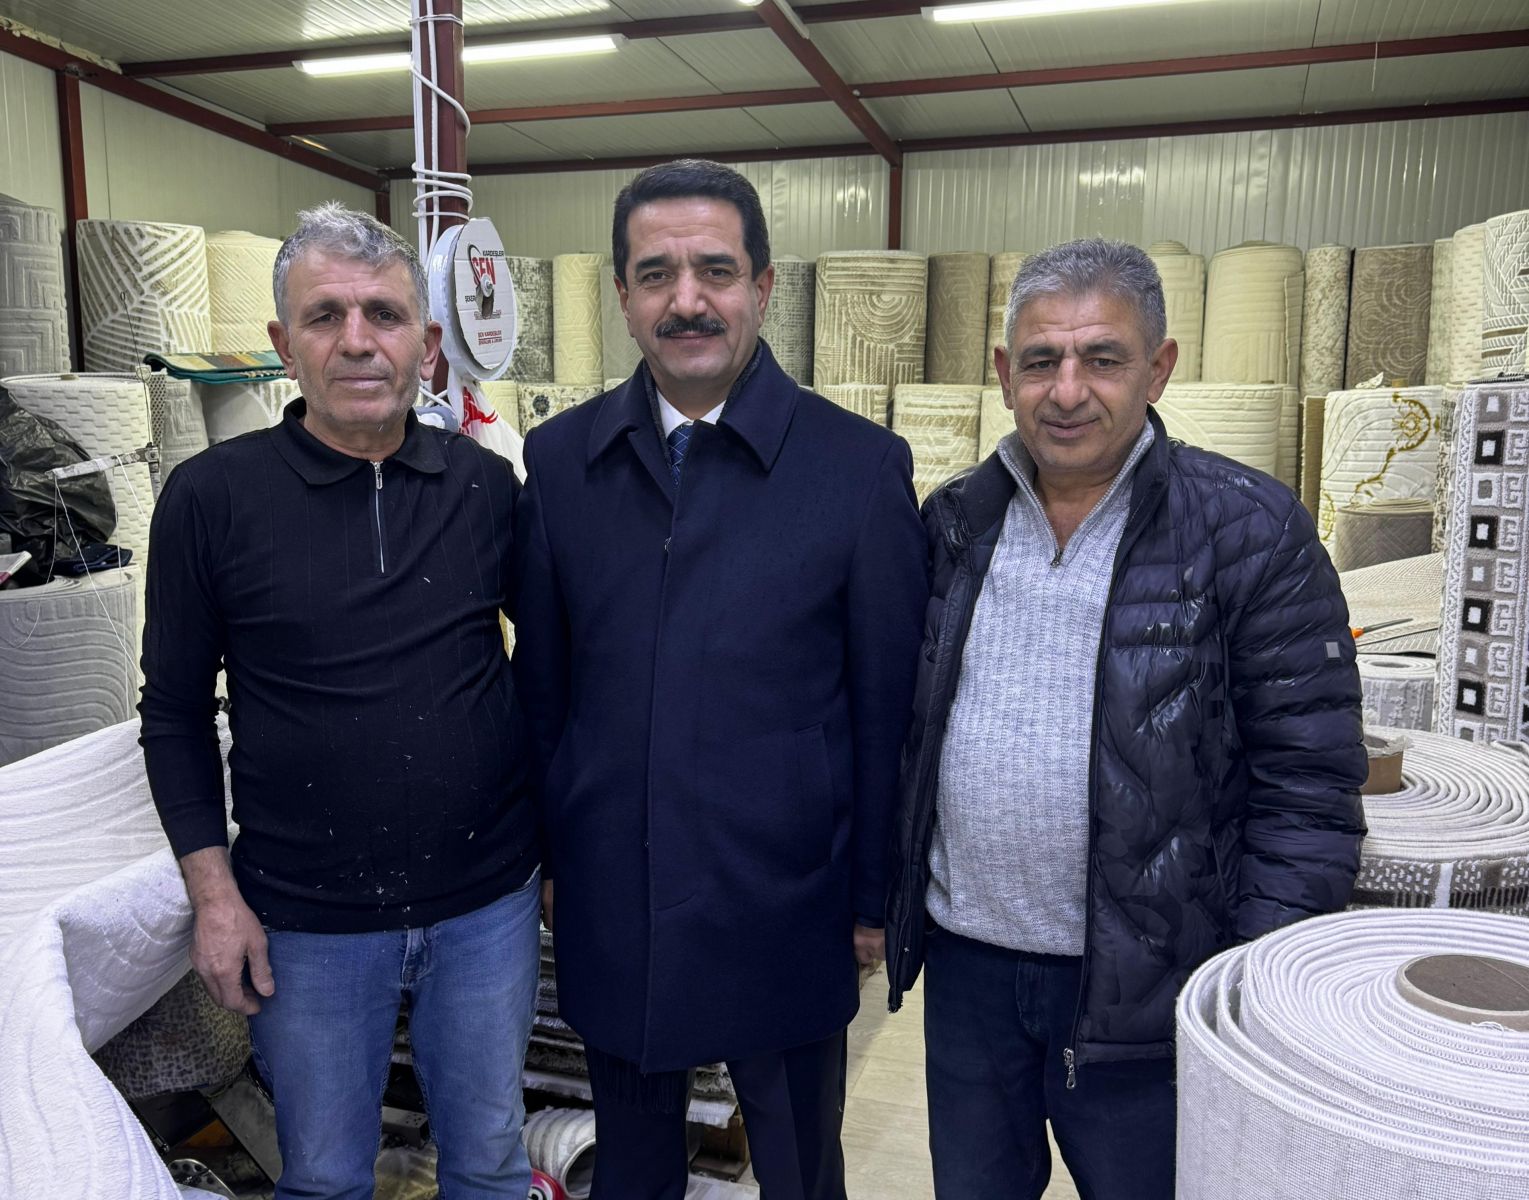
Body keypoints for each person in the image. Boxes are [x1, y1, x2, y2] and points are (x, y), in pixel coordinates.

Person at [885, 238, 1367, 1199]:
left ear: (1159, 367)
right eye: (1041, 361)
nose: (1067, 391)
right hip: (969, 971)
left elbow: (1308, 782)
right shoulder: (953, 524)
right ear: (1003, 374)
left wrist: (1245, 978)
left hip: (1153, 985)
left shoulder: (1248, 531)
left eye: (1101, 359)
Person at [512, 159, 927, 1200]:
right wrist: (554, 857)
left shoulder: (855, 469)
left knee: (796, 1170)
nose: (686, 300)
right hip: (615, 888)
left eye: (715, 270)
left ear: (763, 287)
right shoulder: (561, 464)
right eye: (655, 274)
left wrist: (871, 897)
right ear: (621, 295)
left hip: (783, 897)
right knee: (633, 1170)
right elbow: (544, 692)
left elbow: (886, 708)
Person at [139, 203, 540, 1200]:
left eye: (383, 315)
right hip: (305, 922)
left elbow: (550, 670)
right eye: (325, 316)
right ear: (284, 345)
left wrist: (556, 846)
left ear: (427, 343)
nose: (357, 341)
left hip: (484, 907)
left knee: (490, 1164)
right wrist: (215, 899)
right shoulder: (211, 499)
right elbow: (174, 713)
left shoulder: (487, 489)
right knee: (322, 1179)